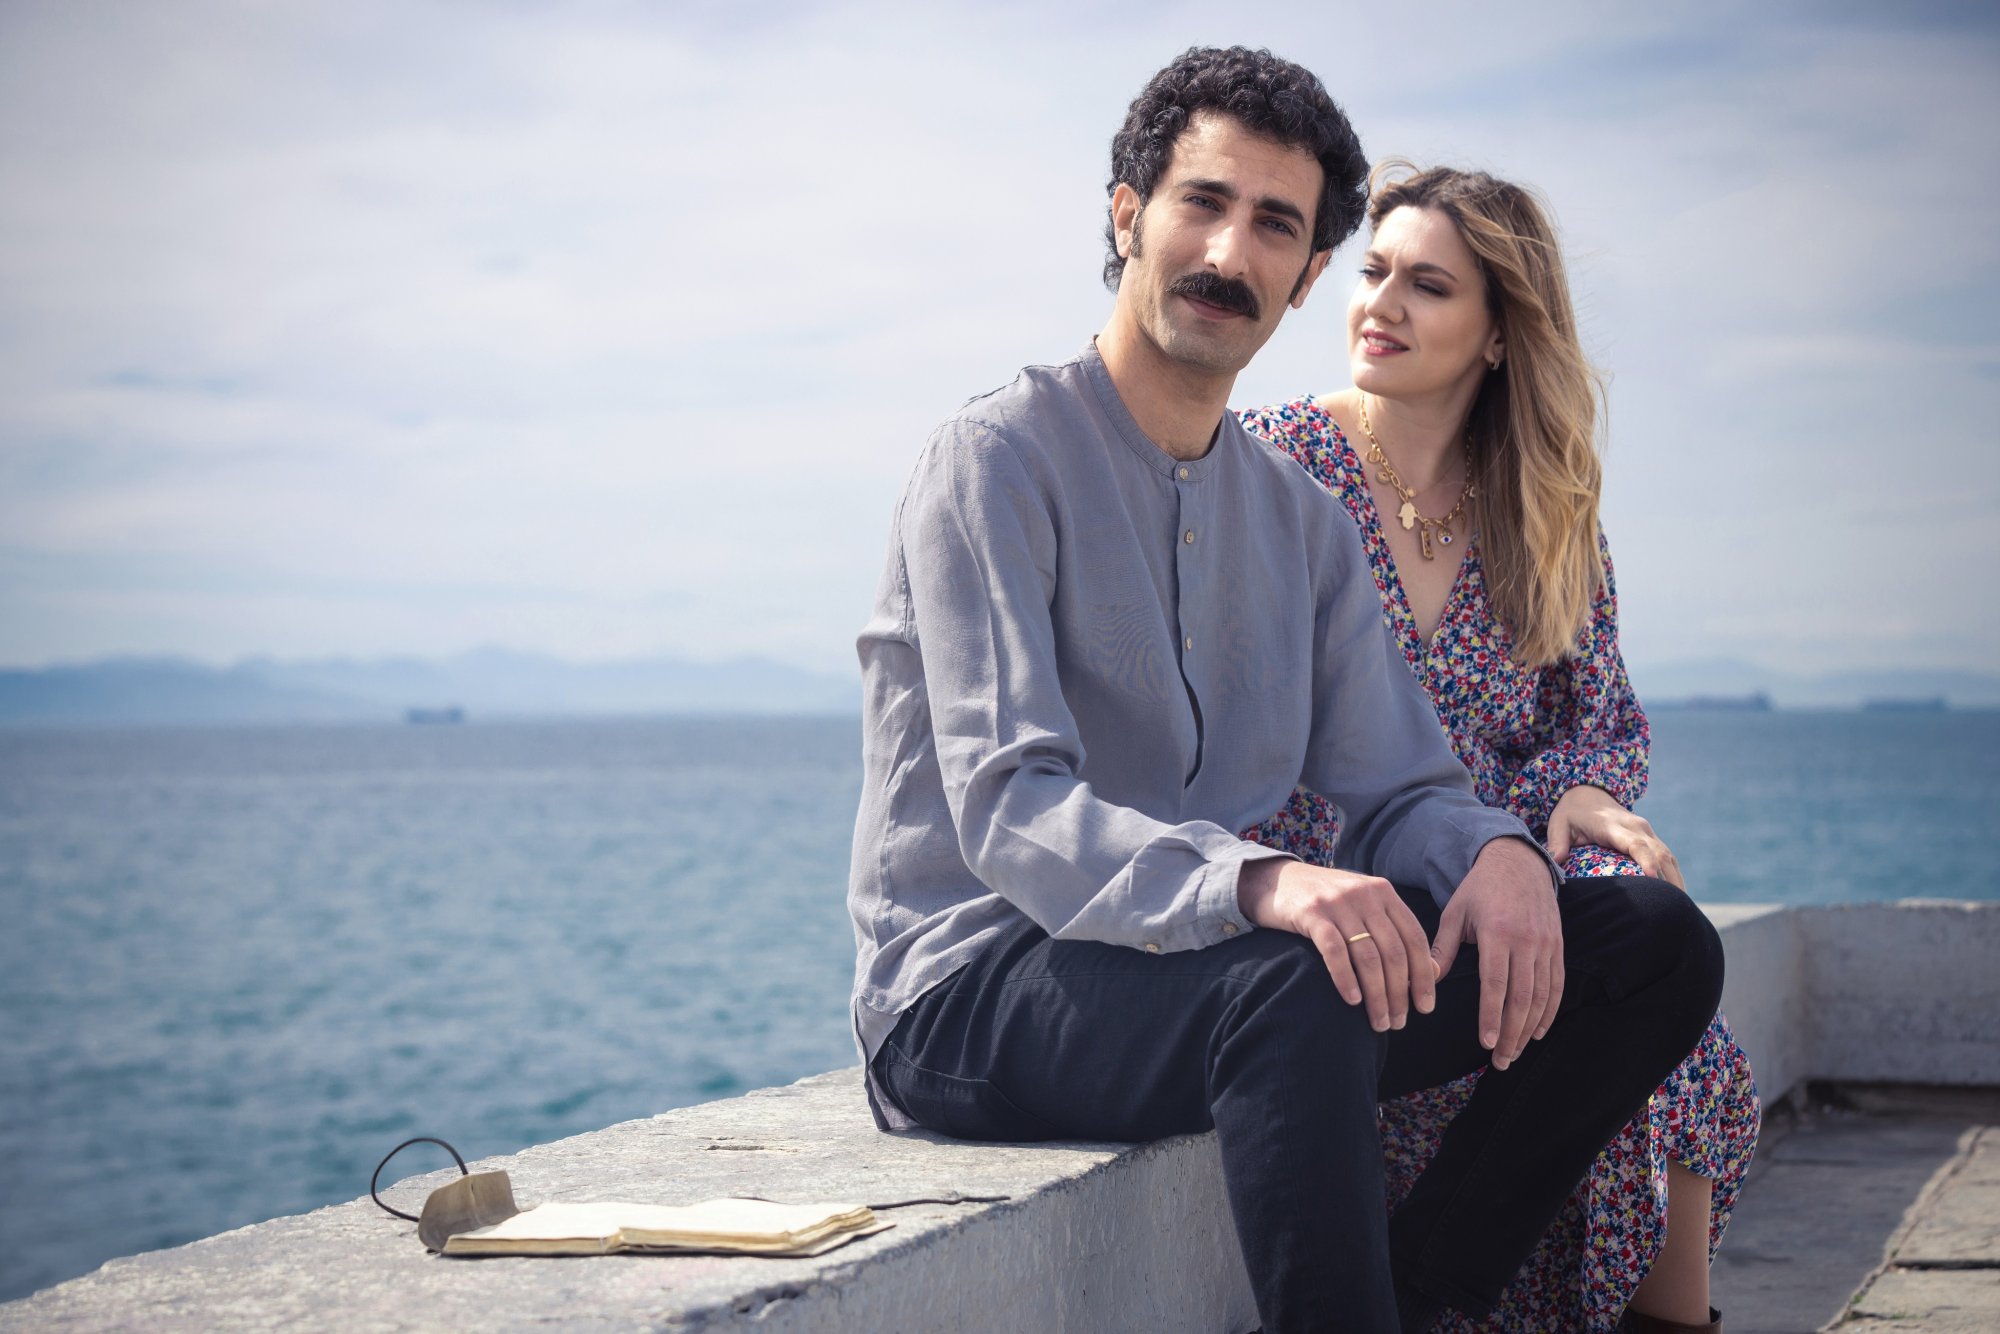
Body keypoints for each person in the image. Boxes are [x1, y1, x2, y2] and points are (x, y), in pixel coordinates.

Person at [848, 47, 1724, 1333]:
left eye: (1274, 224)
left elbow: (1400, 781)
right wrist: (1261, 881)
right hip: (975, 986)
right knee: (1297, 976)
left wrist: (1493, 855)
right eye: (1201, 202)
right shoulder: (995, 460)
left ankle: (1419, 1301)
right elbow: (1008, 804)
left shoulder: (1299, 521)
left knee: (1647, 944)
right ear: (1125, 213)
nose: (1228, 252)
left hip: (1201, 976)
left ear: (1306, 271)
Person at [1238, 163, 1759, 1333]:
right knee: (1632, 1013)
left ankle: (1460, 1293)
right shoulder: (1267, 464)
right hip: (1323, 889)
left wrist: (1582, 789)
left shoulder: (1541, 504)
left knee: (1660, 961)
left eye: (1426, 286)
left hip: (1496, 878)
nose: (1380, 304)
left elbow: (1595, 711)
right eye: (1373, 271)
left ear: (1496, 333)